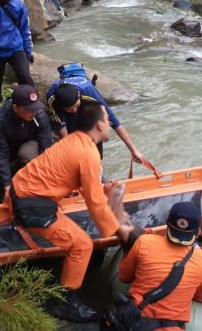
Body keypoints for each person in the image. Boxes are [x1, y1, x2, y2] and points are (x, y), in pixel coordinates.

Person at [10, 100, 133, 322]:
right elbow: (95, 204)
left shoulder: (76, 141)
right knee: (82, 245)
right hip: (30, 205)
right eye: (107, 119)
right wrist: (119, 231)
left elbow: (85, 185)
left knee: (83, 239)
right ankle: (65, 303)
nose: (109, 123)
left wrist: (105, 190)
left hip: (20, 189)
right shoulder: (89, 153)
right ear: (99, 125)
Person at [117, 202, 202, 330]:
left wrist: (128, 251)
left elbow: (124, 277)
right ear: (199, 231)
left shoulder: (144, 241)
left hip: (132, 321)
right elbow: (201, 298)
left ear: (167, 221)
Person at [46, 63, 143, 162]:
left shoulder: (89, 93)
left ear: (79, 96)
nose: (74, 111)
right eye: (70, 109)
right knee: (73, 141)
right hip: (65, 107)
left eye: (75, 106)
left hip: (86, 105)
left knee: (95, 133)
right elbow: (61, 125)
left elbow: (114, 122)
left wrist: (134, 150)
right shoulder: (52, 97)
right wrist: (71, 153)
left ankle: (97, 162)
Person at [0, 84, 52, 195]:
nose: (33, 113)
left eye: (35, 108)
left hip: (29, 146)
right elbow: (0, 152)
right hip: (8, 147)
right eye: (29, 109)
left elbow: (46, 148)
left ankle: (29, 180)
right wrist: (7, 184)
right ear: (15, 107)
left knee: (26, 154)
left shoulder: (40, 115)